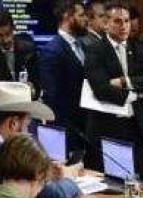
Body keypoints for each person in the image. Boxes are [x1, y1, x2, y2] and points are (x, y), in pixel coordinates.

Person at [83, 1, 143, 172]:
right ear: (106, 23)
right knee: (112, 180)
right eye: (118, 21)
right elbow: (102, 90)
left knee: (140, 178)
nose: (124, 26)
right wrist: (136, 95)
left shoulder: (139, 48)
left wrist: (125, 81)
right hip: (109, 127)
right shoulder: (95, 50)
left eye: (126, 21)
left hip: (137, 126)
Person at [39, 0, 89, 156]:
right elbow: (52, 98)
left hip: (87, 127)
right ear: (67, 16)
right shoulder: (51, 51)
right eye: (81, 15)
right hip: (68, 133)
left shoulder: (84, 46)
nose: (86, 19)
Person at [0, 9, 39, 94]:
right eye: (0, 35)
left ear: (14, 29)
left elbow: (38, 83)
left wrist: (33, 88)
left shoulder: (29, 50)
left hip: (27, 99)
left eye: (8, 34)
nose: (5, 40)